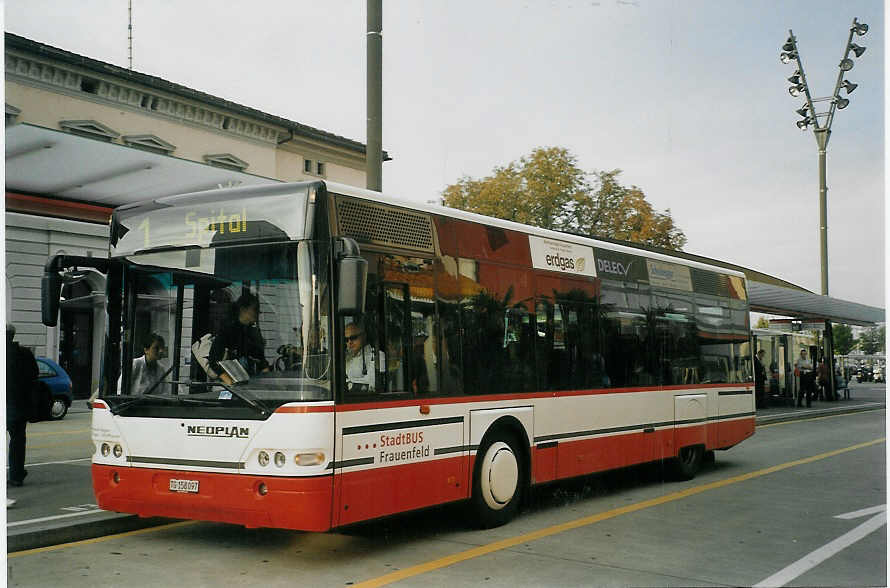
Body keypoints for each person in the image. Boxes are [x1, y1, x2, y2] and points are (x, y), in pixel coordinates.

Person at [209, 292, 270, 385]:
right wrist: (230, 383)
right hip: (231, 385)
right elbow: (214, 361)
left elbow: (260, 359)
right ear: (243, 309)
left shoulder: (253, 332)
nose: (257, 314)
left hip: (249, 384)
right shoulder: (228, 330)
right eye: (255, 310)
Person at [7, 324, 38, 488]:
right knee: (17, 441)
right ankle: (16, 474)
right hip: (17, 405)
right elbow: (34, 376)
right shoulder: (24, 354)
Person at [344, 321, 380, 392]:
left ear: (363, 336)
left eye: (353, 338)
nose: (349, 342)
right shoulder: (347, 357)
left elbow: (372, 385)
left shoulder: (376, 355)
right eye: (346, 340)